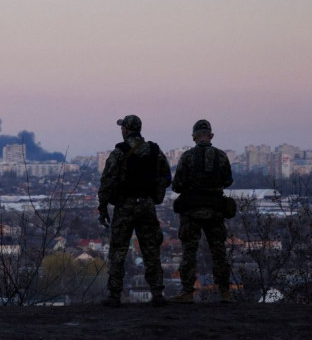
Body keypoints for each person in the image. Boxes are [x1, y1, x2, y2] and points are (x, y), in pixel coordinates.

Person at [97, 114, 172, 307]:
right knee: (151, 249)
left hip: (125, 206)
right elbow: (166, 176)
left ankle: (114, 295)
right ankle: (157, 293)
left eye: (123, 128)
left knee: (119, 250)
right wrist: (157, 195)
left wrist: (103, 207)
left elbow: (107, 180)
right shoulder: (154, 150)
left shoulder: (120, 151)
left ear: (127, 130)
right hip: (147, 206)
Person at [170, 119, 234, 303]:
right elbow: (228, 181)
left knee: (189, 251)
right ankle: (224, 292)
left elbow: (177, 185)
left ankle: (188, 291)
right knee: (218, 251)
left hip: (191, 212)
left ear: (194, 136)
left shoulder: (188, 157)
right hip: (215, 210)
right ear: (211, 136)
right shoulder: (221, 156)